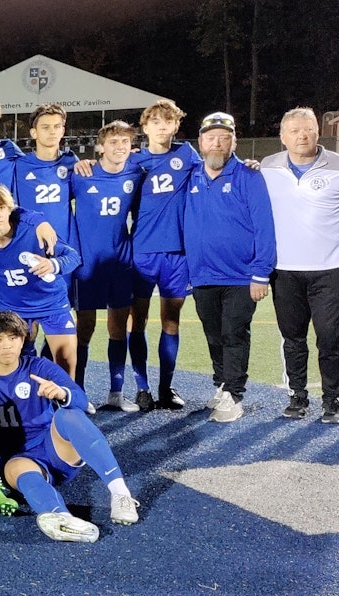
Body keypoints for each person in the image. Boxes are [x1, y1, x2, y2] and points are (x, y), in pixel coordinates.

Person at [0, 311, 140, 542]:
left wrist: (61, 393)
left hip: (55, 449)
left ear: (23, 340)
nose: (7, 345)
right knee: (20, 470)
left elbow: (82, 401)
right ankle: (59, 516)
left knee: (69, 415)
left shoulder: (39, 367)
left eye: (13, 338)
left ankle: (120, 494)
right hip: (17, 459)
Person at [259, 108, 339, 423]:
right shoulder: (267, 167)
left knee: (329, 338)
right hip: (284, 271)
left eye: (309, 129)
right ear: (283, 137)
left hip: (329, 271)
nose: (303, 136)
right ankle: (297, 398)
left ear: (318, 132)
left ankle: (333, 402)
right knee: (293, 338)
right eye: (295, 131)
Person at [181, 112, 276, 423]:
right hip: (202, 275)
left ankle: (234, 394)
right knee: (213, 334)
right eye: (211, 137)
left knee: (234, 333)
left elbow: (264, 227)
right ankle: (221, 384)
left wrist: (261, 272)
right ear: (201, 142)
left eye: (224, 137)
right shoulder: (191, 176)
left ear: (234, 141)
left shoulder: (249, 176)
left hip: (240, 276)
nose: (217, 143)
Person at [126, 99, 200, 411]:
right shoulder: (132, 161)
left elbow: (216, 169)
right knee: (137, 320)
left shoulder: (187, 154)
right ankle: (142, 388)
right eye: (155, 121)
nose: (161, 126)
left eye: (167, 121)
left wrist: (246, 164)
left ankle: (165, 388)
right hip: (142, 252)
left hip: (178, 254)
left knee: (171, 320)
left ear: (176, 126)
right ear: (144, 127)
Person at [70, 122, 145, 412]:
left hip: (120, 262)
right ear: (100, 147)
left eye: (125, 141)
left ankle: (116, 393)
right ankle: (77, 392)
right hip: (86, 263)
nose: (120, 147)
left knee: (118, 327)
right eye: (113, 142)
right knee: (84, 328)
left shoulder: (136, 173)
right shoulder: (80, 175)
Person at [0, 184, 82, 380]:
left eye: (1, 208)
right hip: (13, 311)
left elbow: (73, 256)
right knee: (19, 369)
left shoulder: (33, 230)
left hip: (52, 304)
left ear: (9, 209)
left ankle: (68, 406)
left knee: (65, 364)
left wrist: (53, 265)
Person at [13, 104, 78, 243]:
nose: (52, 132)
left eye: (57, 126)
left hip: (66, 244)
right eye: (45, 127)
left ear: (63, 131)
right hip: (31, 243)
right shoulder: (19, 166)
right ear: (33, 132)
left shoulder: (71, 161)